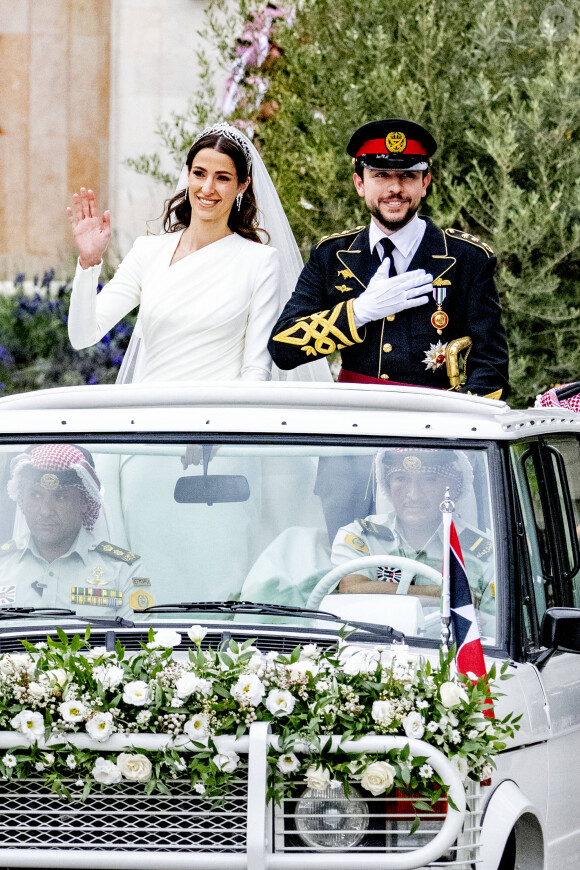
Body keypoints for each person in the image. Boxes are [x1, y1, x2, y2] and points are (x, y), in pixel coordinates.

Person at [67, 122, 331, 384]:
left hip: (215, 419)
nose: (207, 188)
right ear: (188, 175)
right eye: (200, 173)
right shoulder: (148, 251)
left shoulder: (261, 262)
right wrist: (89, 262)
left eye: (222, 178)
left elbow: (256, 371)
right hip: (148, 415)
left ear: (242, 185)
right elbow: (83, 336)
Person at [268, 118, 509, 398]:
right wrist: (357, 312)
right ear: (359, 183)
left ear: (425, 183)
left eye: (408, 175)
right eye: (381, 175)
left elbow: (491, 370)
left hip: (437, 427)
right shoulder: (331, 255)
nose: (395, 188)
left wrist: (453, 429)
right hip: (357, 420)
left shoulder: (468, 259)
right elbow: (282, 349)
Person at [331, 448, 495, 614]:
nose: (414, 495)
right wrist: (438, 592)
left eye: (429, 479)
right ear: (387, 487)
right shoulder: (360, 535)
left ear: (451, 488)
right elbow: (351, 588)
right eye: (401, 479)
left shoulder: (486, 554)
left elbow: (494, 625)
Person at [0, 444, 154, 617]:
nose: (45, 511)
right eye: (35, 495)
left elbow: (139, 642)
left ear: (84, 502)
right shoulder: (3, 564)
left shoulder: (124, 571)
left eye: (60, 496)